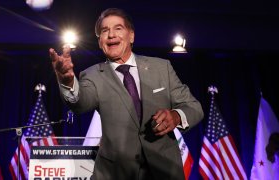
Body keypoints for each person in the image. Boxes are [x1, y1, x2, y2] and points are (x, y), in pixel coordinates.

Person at [50, 8, 203, 180]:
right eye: (104, 31)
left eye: (118, 28)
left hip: (163, 171)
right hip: (114, 173)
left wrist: (176, 116)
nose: (111, 35)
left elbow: (193, 107)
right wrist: (67, 81)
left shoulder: (161, 68)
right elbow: (80, 103)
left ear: (131, 36)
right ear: (100, 42)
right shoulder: (92, 75)